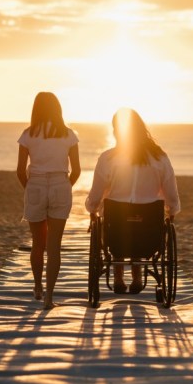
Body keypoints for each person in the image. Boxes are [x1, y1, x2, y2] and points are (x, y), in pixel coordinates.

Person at [85, 108, 181, 294]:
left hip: (116, 224)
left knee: (117, 223)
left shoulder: (108, 158)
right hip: (149, 224)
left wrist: (92, 209)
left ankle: (118, 276)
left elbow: (96, 192)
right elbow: (171, 190)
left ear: (117, 130)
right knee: (140, 223)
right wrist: (173, 211)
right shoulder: (159, 157)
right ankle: (137, 276)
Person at [17, 92, 81, 309]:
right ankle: (49, 298)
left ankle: (37, 287)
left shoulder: (28, 134)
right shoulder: (68, 135)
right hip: (60, 185)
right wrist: (64, 187)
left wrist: (31, 188)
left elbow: (19, 171)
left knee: (38, 243)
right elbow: (77, 170)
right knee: (54, 246)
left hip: (35, 184)